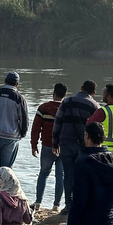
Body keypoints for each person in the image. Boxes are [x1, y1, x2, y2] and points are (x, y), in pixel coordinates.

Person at [52, 80, 99, 214]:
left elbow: (58, 122)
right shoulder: (94, 105)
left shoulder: (67, 101)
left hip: (66, 142)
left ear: (81, 88)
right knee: (82, 176)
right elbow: (96, 129)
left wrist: (55, 143)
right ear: (94, 93)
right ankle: (80, 206)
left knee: (68, 175)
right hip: (84, 144)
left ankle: (68, 205)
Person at [85, 84, 113, 220]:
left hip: (107, 152)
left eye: (104, 93)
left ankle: (103, 210)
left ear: (109, 96)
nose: (102, 95)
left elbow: (89, 124)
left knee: (102, 183)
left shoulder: (103, 111)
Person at [0, 72, 28, 198]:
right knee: (7, 167)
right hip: (10, 136)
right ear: (17, 84)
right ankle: (3, 193)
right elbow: (23, 119)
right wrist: (22, 133)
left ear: (4, 80)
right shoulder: (19, 98)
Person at [31, 82, 67, 212]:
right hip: (63, 147)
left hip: (47, 145)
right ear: (65, 95)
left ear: (53, 93)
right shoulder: (67, 109)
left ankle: (38, 202)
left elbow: (35, 128)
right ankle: (56, 205)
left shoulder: (43, 108)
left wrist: (33, 145)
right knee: (60, 176)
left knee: (43, 173)